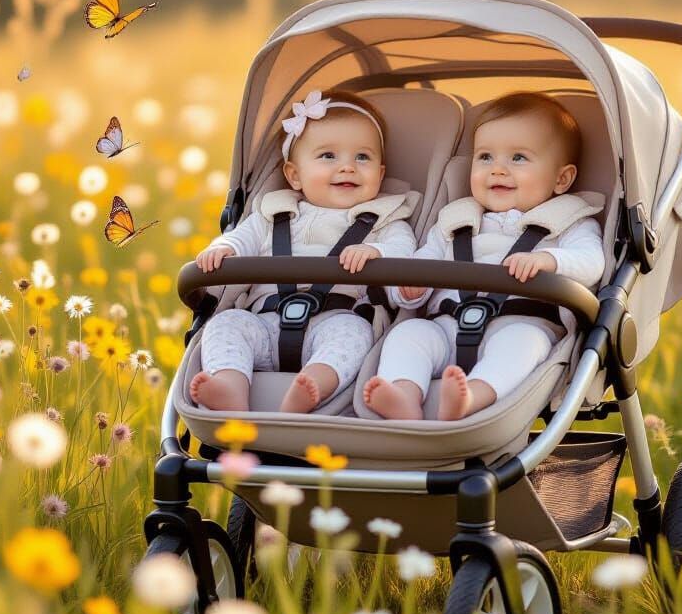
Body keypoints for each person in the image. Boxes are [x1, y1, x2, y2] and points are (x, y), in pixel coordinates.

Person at [363, 91, 604, 421]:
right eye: (485, 157)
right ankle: (403, 395)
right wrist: (408, 289)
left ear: (562, 179)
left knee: (524, 344)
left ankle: (472, 395)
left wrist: (550, 261)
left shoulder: (570, 223)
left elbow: (592, 262)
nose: (498, 170)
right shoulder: (453, 221)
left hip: (520, 322)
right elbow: (422, 262)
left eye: (518, 158)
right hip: (447, 325)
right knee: (408, 335)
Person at [190, 90, 417, 414]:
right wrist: (223, 248)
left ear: (380, 174)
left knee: (355, 334)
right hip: (265, 322)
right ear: (294, 175)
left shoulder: (387, 222)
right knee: (226, 323)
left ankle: (312, 385)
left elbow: (404, 252)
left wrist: (375, 251)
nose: (348, 167)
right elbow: (241, 238)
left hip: (336, 318)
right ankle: (229, 385)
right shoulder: (271, 216)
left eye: (362, 158)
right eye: (328, 156)